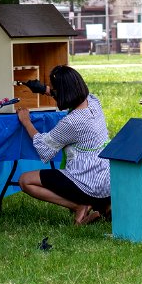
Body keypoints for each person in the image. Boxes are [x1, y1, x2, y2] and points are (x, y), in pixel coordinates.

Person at [15, 66, 111, 226]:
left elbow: (44, 147)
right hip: (106, 179)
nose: (52, 91)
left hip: (87, 180)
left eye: (55, 89)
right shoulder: (93, 101)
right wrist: (46, 90)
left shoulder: (72, 122)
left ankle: (80, 206)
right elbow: (71, 93)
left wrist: (26, 122)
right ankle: (103, 208)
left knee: (25, 180)